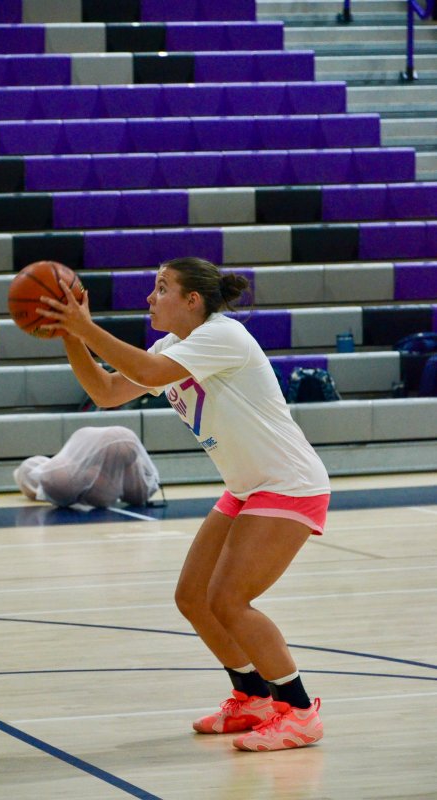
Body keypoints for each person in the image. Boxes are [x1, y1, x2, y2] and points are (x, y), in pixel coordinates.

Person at [38, 256, 331, 753]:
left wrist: (86, 326)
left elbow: (147, 370)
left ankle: (299, 711)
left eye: (161, 288)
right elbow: (108, 391)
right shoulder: (173, 347)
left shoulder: (224, 336)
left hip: (288, 483)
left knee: (229, 601)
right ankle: (253, 697)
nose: (150, 298)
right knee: (194, 597)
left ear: (192, 300)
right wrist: (72, 336)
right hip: (247, 487)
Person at [14, 425, 160, 509]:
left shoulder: (118, 464)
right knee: (52, 476)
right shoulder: (68, 472)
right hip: (47, 473)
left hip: (67, 473)